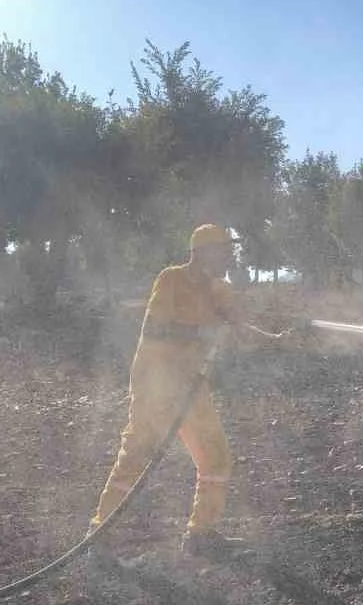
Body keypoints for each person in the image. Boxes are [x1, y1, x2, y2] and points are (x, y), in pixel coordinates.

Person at [89, 223, 295, 559]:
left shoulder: (221, 291)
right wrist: (202, 332)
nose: (232, 255)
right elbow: (156, 326)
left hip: (191, 387)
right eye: (225, 249)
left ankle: (202, 534)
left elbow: (240, 329)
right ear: (203, 252)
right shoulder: (171, 280)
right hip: (156, 382)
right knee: (136, 457)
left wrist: (281, 339)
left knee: (215, 455)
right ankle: (100, 537)